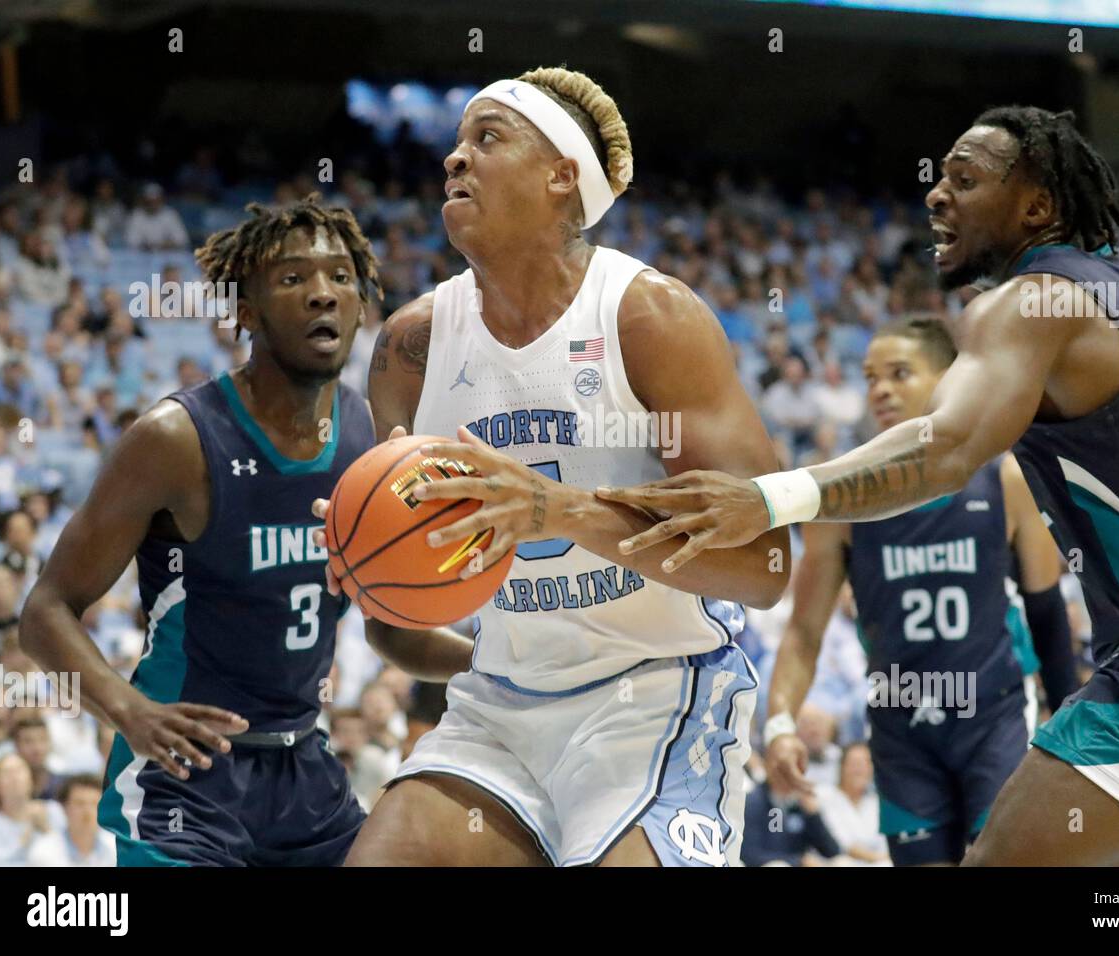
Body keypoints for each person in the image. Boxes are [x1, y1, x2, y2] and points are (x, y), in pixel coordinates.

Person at [598, 105, 1119, 866]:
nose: (935, 194)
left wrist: (768, 496)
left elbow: (944, 448)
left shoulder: (1027, 305)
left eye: (965, 178)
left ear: (1037, 206)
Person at [317, 66, 788, 867]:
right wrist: (367, 566)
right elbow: (392, 627)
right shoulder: (410, 347)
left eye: (486, 139)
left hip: (657, 694)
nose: (454, 160)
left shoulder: (649, 318)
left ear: (561, 177)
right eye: (456, 144)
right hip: (498, 711)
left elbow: (766, 567)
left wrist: (556, 511)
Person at [20, 195, 474, 866]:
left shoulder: (370, 444)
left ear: (361, 303)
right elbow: (44, 611)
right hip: (182, 776)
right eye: (294, 279)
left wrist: (497, 664)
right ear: (245, 311)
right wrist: (128, 711)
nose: (323, 294)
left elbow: (391, 628)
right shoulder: (177, 439)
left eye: (341, 277)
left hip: (304, 774)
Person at [762, 317, 1074, 865]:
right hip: (902, 727)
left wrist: (1069, 729)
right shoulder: (840, 500)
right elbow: (806, 630)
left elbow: (1046, 610)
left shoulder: (1006, 478)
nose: (879, 389)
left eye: (899, 373)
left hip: (991, 715)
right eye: (870, 377)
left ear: (949, 379)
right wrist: (782, 721)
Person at [27, 775, 115, 866]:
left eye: (94, 803)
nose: (88, 811)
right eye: (80, 803)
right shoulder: (43, 853)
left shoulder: (116, 850)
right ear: (64, 807)